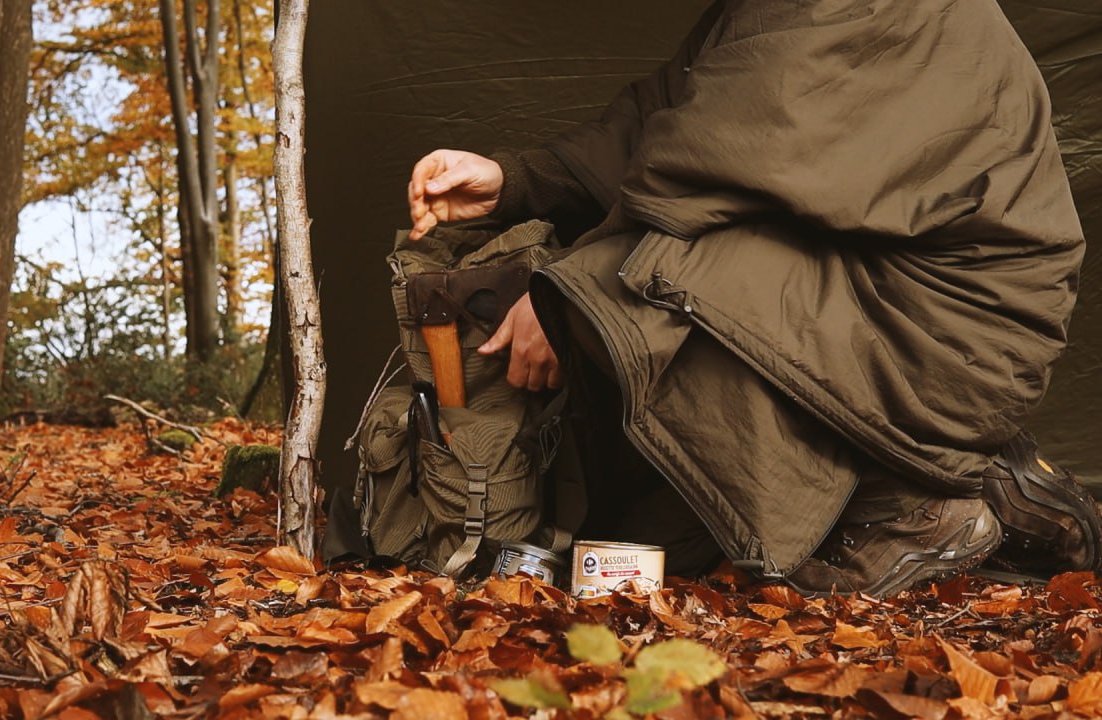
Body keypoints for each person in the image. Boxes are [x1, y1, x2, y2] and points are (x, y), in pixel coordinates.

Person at [404, 0, 1102, 596]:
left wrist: (561, 298)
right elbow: (669, 111)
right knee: (643, 550)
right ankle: (976, 482)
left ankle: (908, 505)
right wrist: (518, 179)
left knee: (631, 288)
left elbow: (713, 159)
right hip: (889, 296)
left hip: (954, 326)